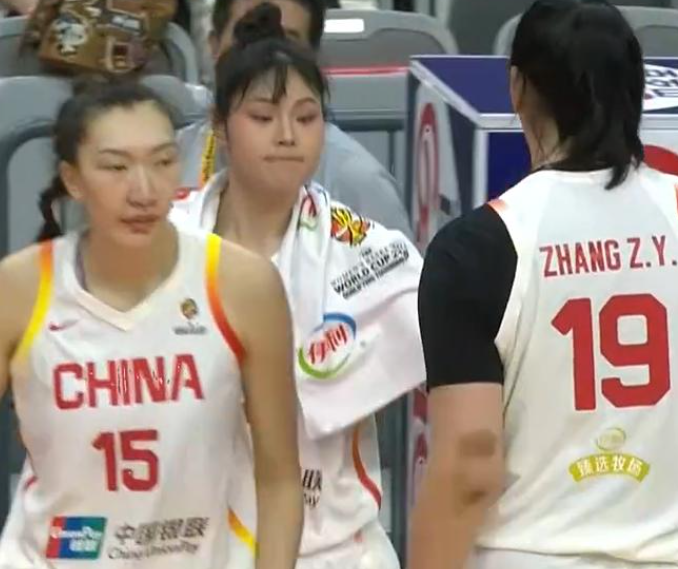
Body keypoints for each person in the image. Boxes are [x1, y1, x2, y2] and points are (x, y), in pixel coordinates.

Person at [0, 79, 303, 569]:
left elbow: (280, 479)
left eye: (161, 162)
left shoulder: (242, 284)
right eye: (115, 167)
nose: (143, 190)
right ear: (72, 180)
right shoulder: (20, 287)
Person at [411, 1, 678, 569]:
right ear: (638, 90)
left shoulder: (477, 247)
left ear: (517, 88)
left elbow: (470, 461)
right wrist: (660, 511)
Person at [172, 4, 424, 568]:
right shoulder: (168, 238)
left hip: (331, 547)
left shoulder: (368, 252)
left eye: (307, 118)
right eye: (263, 117)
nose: (287, 136)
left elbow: (441, 351)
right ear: (220, 126)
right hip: (188, 543)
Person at [177, 0, 412, 236]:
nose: (266, 59)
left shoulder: (359, 185)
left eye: (284, 41)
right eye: (250, 35)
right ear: (214, 46)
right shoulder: (171, 157)